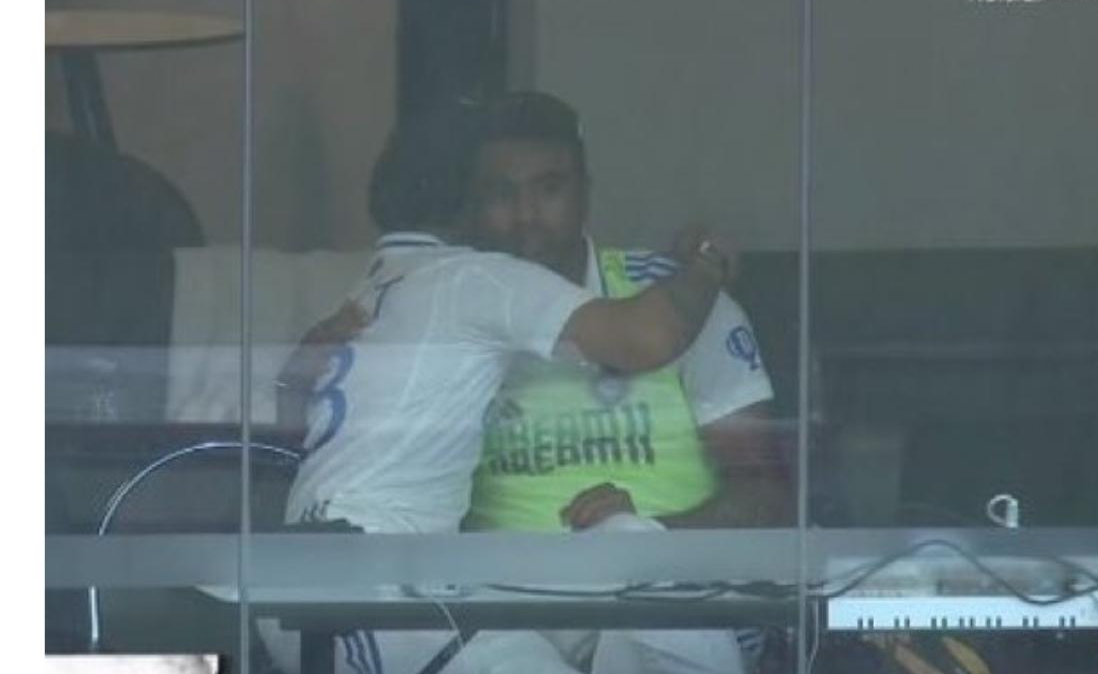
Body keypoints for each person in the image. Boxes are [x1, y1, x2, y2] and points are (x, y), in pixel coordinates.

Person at [283, 93, 793, 674]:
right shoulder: (447, 300)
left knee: (629, 552)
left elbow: (768, 499)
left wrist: (653, 536)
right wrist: (305, 368)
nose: (526, 214)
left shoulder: (683, 301)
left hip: (660, 607)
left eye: (549, 188)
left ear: (586, 191)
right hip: (496, 614)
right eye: (502, 194)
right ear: (470, 204)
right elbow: (327, 438)